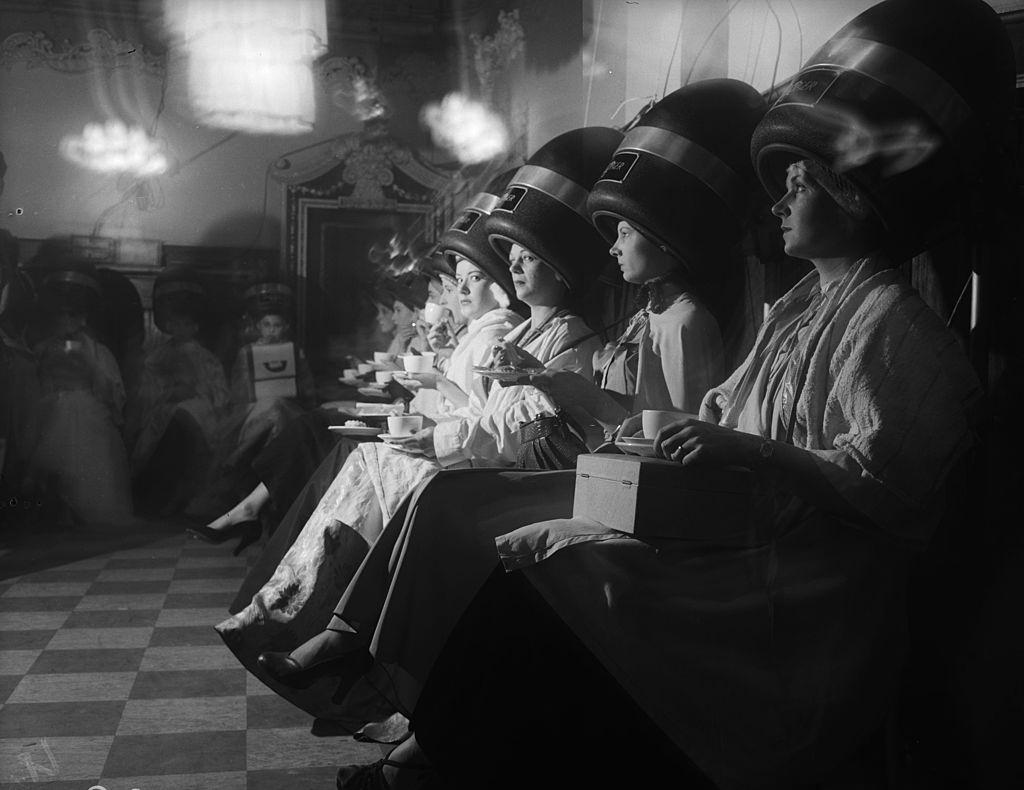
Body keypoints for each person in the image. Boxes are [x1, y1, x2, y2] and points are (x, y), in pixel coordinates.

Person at [341, 153, 985, 789]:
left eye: (800, 187)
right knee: (505, 533)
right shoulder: (798, 307)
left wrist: (748, 451)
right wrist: (681, 429)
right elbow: (718, 410)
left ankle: (443, 756)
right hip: (739, 522)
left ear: (854, 198)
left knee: (550, 557)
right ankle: (433, 741)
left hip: (801, 569)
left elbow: (886, 483)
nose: (779, 205)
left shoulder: (896, 322)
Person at [245, 82, 768, 737]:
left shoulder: (683, 322)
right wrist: (546, 386)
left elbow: (666, 438)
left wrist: (552, 387)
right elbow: (626, 418)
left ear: (666, 235)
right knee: (435, 498)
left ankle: (405, 694)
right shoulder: (648, 319)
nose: (611, 247)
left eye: (625, 230)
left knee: (446, 505)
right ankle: (370, 657)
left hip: (622, 488)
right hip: (598, 471)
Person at [217, 128, 618, 720]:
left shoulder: (565, 341)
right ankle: (296, 611)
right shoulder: (526, 333)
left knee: (407, 484)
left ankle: (354, 655)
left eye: (528, 257)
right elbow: (490, 417)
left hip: (531, 474)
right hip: (489, 457)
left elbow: (517, 434)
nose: (515, 265)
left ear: (564, 268)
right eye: (513, 257)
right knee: (370, 467)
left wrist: (441, 428)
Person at [26, 264, 133, 525]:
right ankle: (54, 508)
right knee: (51, 427)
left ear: (81, 319)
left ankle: (78, 508)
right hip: (51, 402)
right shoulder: (43, 348)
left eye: (71, 317)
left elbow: (110, 387)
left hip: (84, 404)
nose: (65, 323)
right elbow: (38, 380)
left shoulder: (95, 351)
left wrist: (88, 366)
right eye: (60, 317)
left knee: (76, 424)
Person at [128, 268, 230, 518]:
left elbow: (220, 393)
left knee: (186, 419)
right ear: (168, 325)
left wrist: (194, 390)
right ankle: (165, 494)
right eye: (175, 324)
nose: (180, 328)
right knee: (166, 423)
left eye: (186, 324)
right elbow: (146, 389)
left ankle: (187, 494)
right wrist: (166, 392)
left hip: (199, 407)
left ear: (195, 327)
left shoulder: (205, 358)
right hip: (164, 407)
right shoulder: (158, 355)